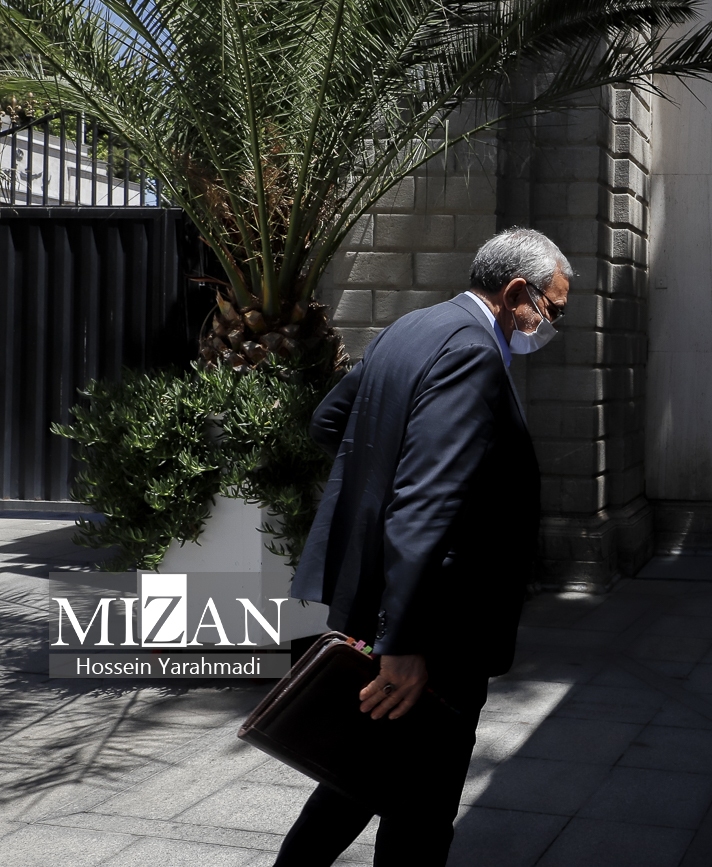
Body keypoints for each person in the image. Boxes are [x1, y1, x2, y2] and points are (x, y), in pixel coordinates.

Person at [274, 227, 571, 867]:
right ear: (516, 291)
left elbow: (330, 421)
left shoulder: (412, 327)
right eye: (552, 309)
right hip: (436, 627)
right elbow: (426, 501)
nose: (551, 325)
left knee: (360, 773)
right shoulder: (473, 353)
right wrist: (403, 644)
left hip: (389, 602)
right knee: (423, 807)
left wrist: (382, 484)